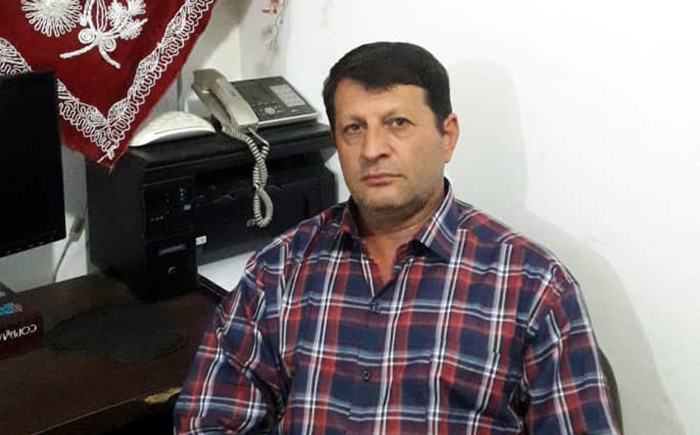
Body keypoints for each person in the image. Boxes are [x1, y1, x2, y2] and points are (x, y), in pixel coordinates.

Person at [174, 42, 621, 434]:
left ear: (447, 137)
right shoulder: (279, 270)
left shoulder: (534, 288)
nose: (372, 150)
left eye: (398, 123)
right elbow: (208, 419)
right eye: (354, 128)